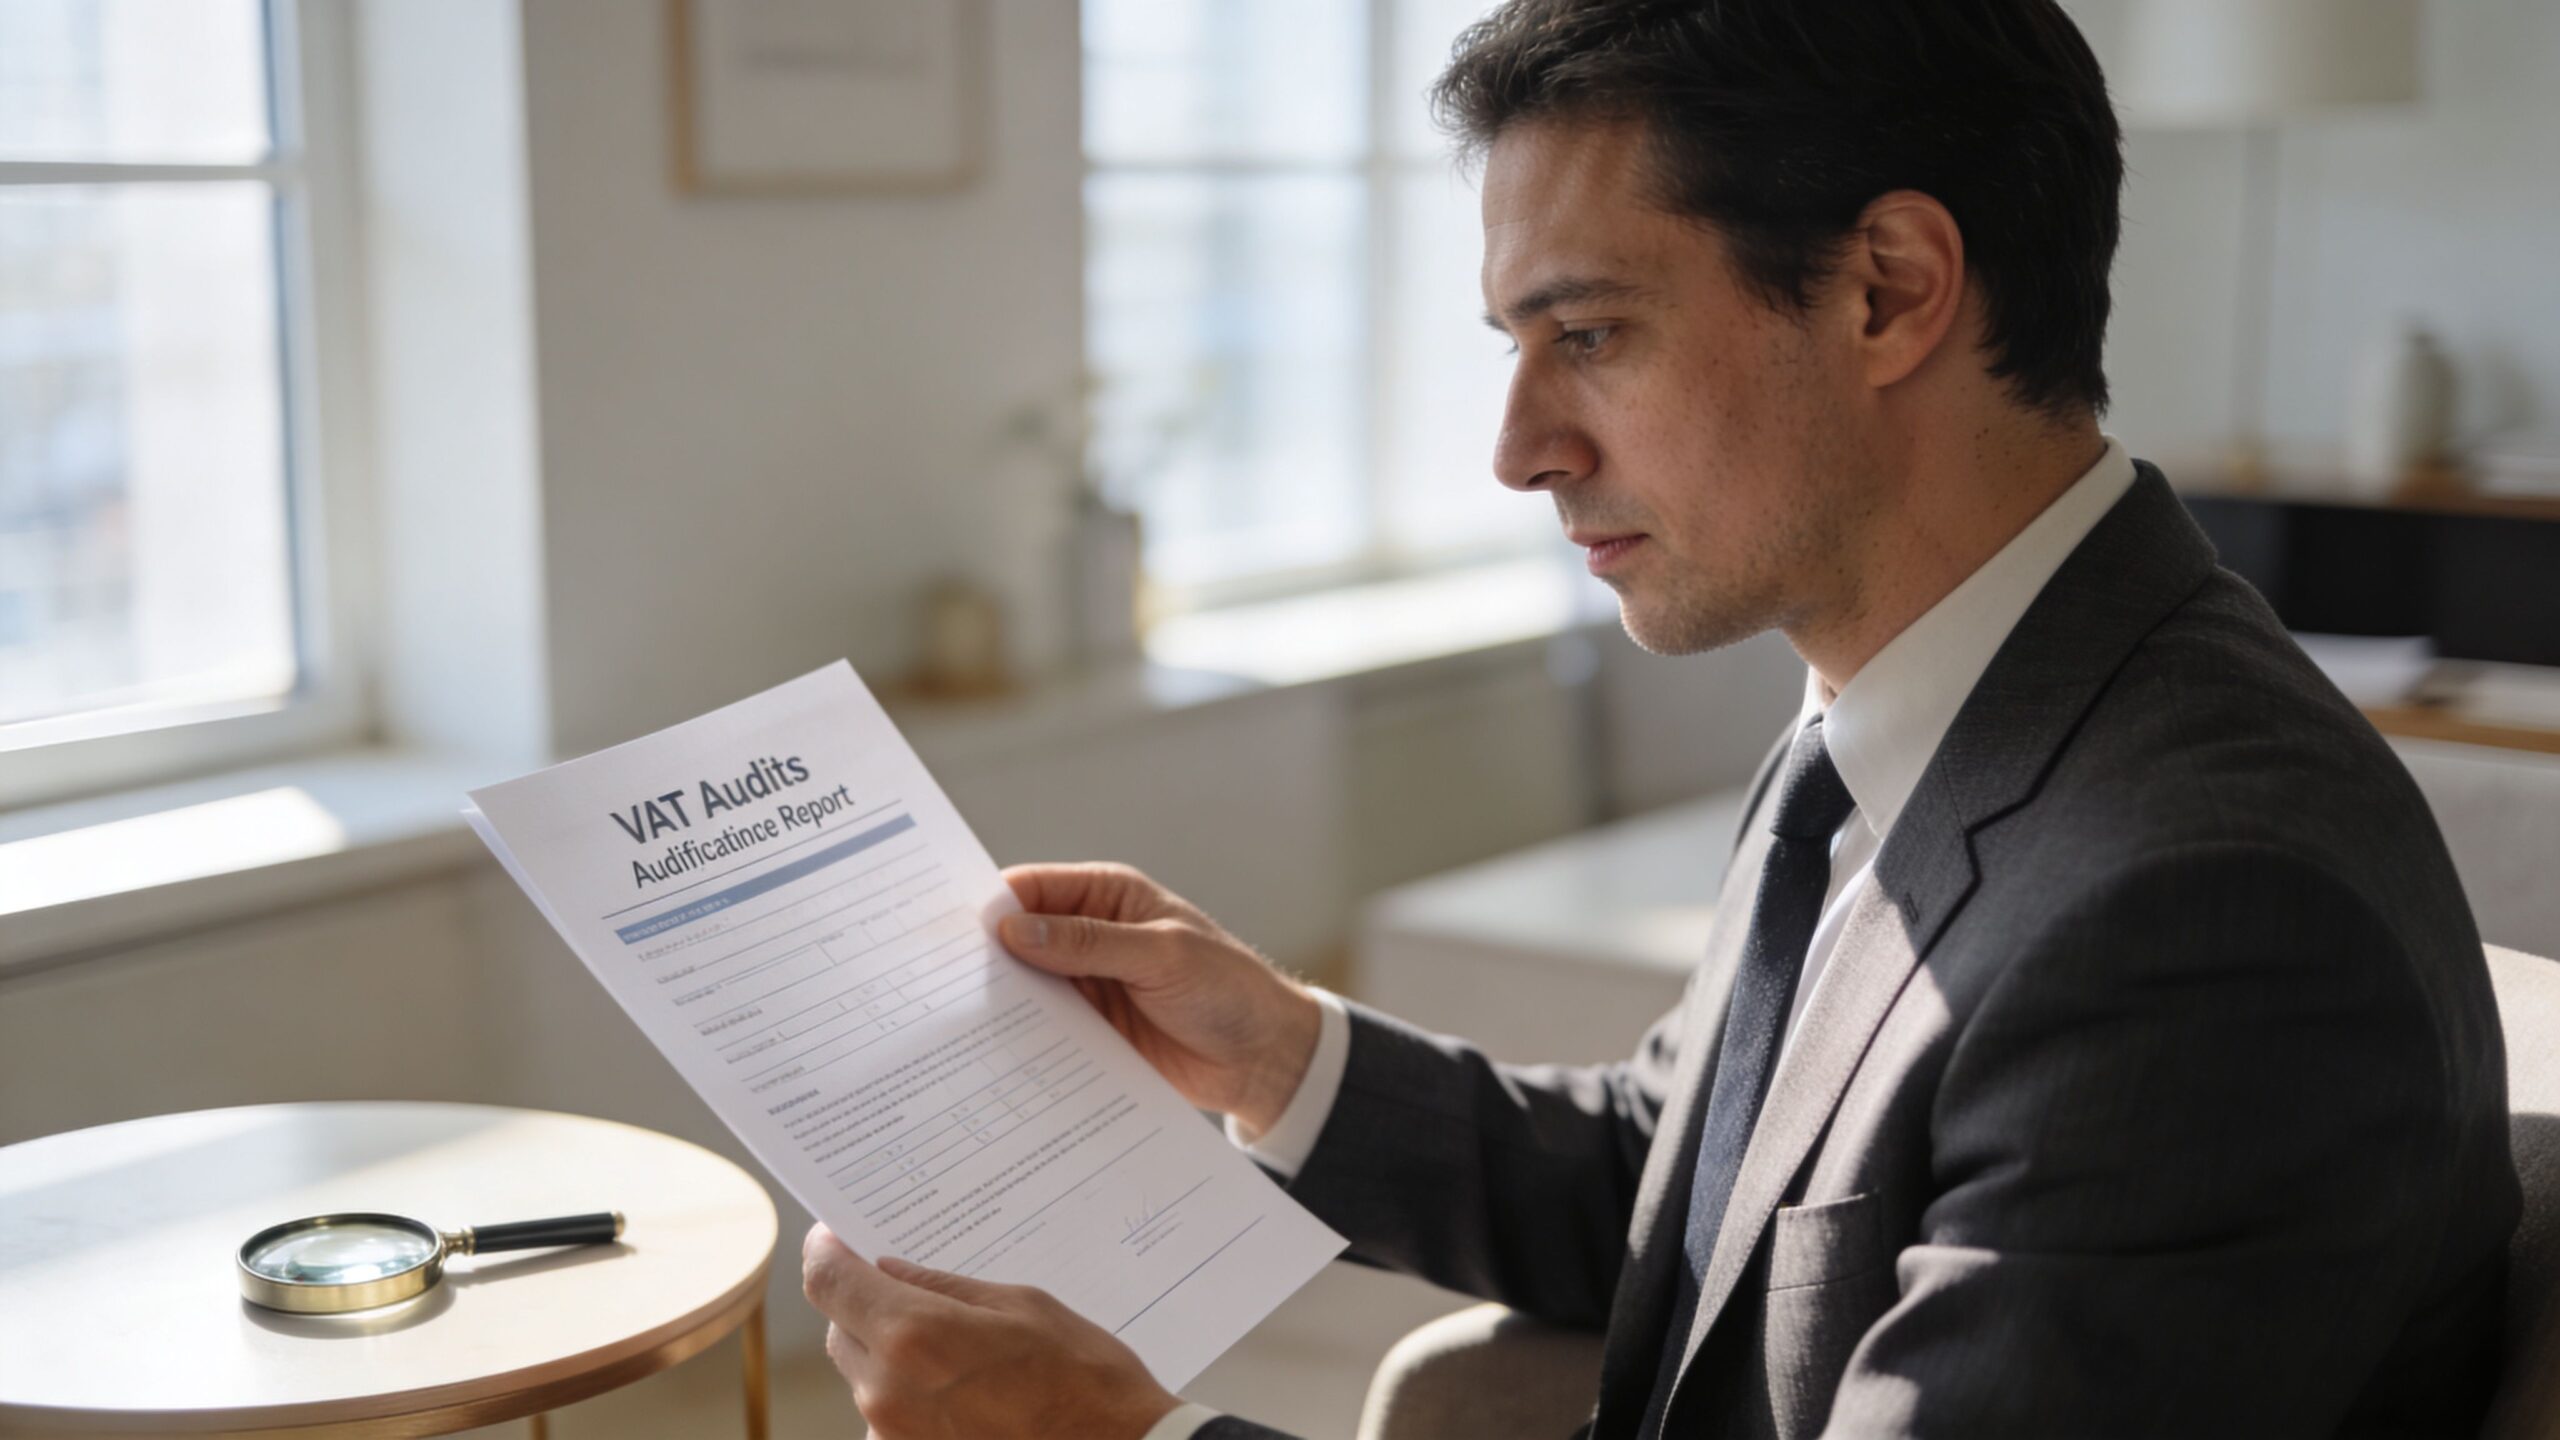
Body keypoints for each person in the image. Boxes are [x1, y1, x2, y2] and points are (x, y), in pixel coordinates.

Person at [801, 1, 2521, 1435]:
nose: (1519, 446)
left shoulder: (2204, 918)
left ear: (1890, 291)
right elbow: (1716, 1189)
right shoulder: (1916, 704)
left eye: (1593, 333)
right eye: (1513, 345)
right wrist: (1274, 1049)